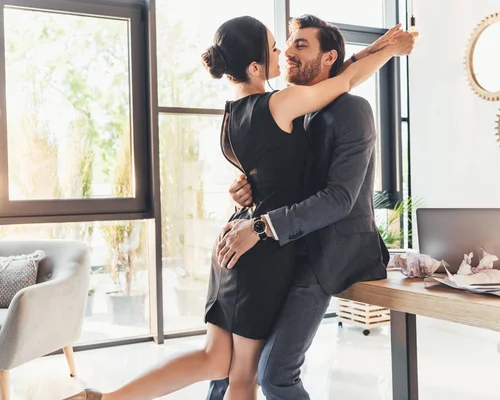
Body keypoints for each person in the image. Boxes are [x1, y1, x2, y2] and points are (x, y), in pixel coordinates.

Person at [65, 14, 415, 400]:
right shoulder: (283, 103)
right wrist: (390, 51)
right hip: (259, 249)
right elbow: (343, 79)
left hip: (238, 238)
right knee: (243, 377)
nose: (283, 53)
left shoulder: (236, 112)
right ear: (254, 66)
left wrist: (250, 191)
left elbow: (338, 80)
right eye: (277, 46)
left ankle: (108, 398)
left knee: (215, 361)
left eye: (297, 45)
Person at [208, 14, 410, 400]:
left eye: (301, 46)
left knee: (275, 375)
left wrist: (262, 226)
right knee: (232, 369)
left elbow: (339, 198)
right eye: (285, 46)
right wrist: (245, 189)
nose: (286, 53)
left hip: (326, 252)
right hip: (283, 250)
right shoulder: (295, 108)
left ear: (328, 57)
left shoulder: (352, 111)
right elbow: (280, 173)